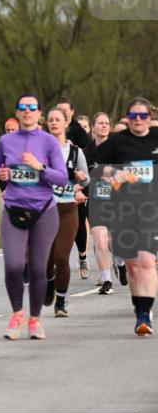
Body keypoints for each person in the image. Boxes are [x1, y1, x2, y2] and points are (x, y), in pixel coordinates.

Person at [0, 92, 68, 339]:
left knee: (37, 268)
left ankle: (35, 320)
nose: (27, 111)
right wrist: (1, 175)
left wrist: (40, 167)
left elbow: (62, 178)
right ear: (17, 112)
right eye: (22, 107)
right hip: (13, 209)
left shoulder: (48, 142)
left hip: (44, 212)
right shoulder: (5, 141)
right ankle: (17, 314)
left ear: (39, 114)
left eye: (32, 107)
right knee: (14, 265)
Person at [95, 96, 158, 336]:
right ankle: (138, 306)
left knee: (147, 262)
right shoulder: (118, 142)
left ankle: (145, 313)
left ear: (149, 117)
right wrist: (113, 173)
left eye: (143, 116)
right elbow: (96, 166)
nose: (138, 120)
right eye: (133, 116)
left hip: (151, 209)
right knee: (132, 267)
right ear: (127, 118)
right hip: (124, 211)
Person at [43, 108, 89, 317]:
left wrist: (81, 178)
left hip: (68, 208)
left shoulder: (75, 152)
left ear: (65, 124)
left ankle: (60, 302)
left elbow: (87, 180)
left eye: (57, 120)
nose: (54, 123)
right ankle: (50, 282)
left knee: (61, 256)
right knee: (45, 259)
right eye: (50, 120)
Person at [84, 112, 120, 294]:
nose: (104, 126)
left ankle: (120, 262)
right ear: (93, 127)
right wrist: (80, 189)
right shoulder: (86, 152)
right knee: (100, 241)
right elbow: (81, 176)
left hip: (117, 202)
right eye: (100, 123)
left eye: (107, 123)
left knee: (114, 243)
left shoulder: (117, 149)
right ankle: (107, 281)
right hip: (96, 201)